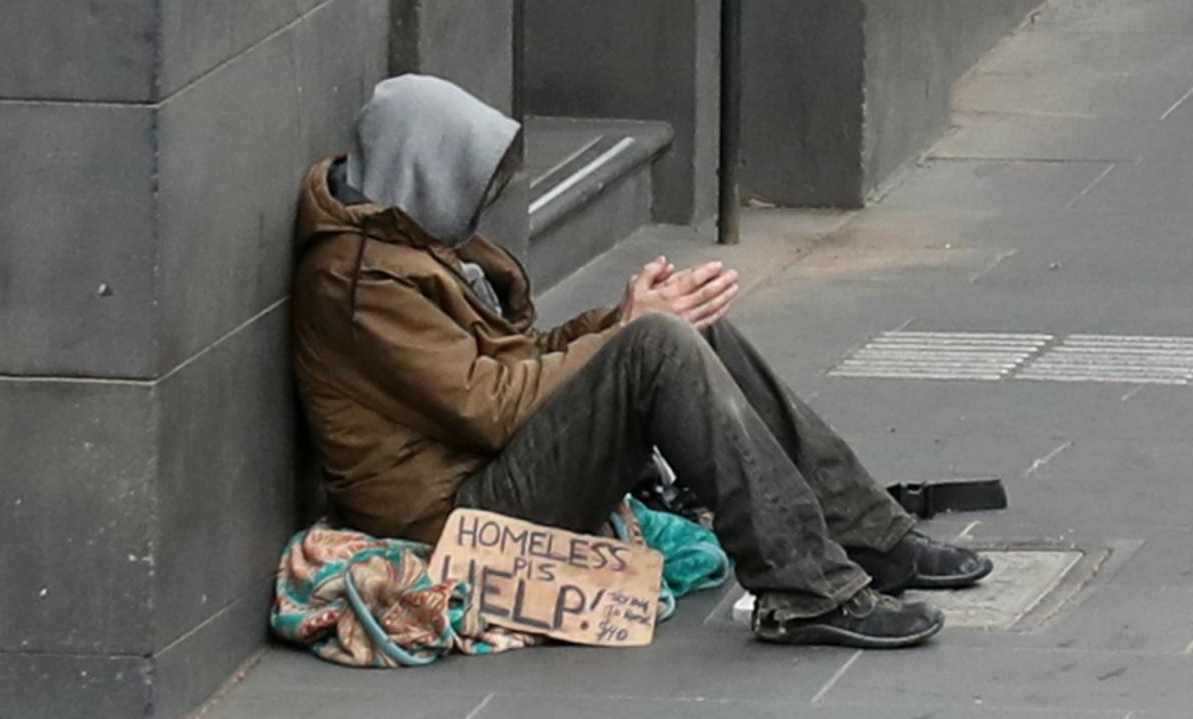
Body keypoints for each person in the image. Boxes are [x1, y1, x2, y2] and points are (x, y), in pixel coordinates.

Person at [291, 74, 992, 649]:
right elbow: (491, 408)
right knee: (658, 342)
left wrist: (620, 315)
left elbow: (514, 362)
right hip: (451, 518)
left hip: (485, 470)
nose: (480, 205)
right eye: (466, 181)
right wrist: (629, 330)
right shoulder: (360, 282)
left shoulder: (402, 242)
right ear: (421, 170)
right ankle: (806, 590)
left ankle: (870, 535)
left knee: (689, 330)